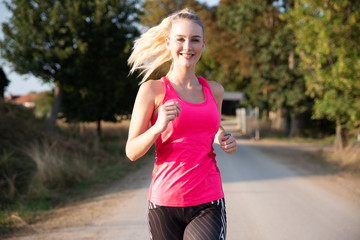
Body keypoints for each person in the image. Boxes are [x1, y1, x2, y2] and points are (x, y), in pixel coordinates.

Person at [126, 8, 237, 240]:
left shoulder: (214, 90)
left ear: (203, 45)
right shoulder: (152, 90)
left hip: (208, 199)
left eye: (195, 40)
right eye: (180, 39)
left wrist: (223, 137)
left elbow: (213, 125)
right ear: (168, 43)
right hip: (164, 202)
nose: (188, 47)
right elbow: (131, 152)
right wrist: (158, 126)